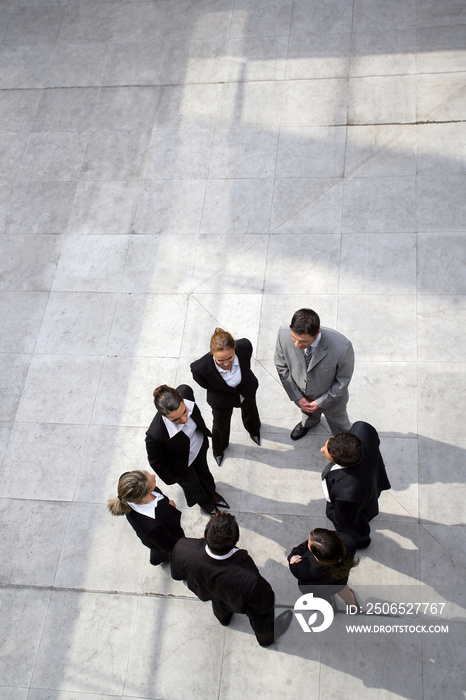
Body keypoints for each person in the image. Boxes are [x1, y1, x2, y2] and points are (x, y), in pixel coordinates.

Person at [170, 512, 292, 647]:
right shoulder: (248, 576)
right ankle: (266, 639)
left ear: (205, 535)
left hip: (210, 593)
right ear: (238, 538)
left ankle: (224, 619)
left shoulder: (182, 547)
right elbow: (263, 605)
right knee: (262, 619)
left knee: (220, 605)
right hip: (236, 600)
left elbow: (176, 574)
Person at [145, 384, 229, 516]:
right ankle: (205, 503)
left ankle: (212, 494)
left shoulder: (186, 392)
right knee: (193, 486)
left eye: (185, 411)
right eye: (175, 419)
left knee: (204, 472)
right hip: (182, 465)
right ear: (164, 416)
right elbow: (155, 461)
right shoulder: (155, 435)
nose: (184, 419)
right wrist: (173, 478)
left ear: (181, 397)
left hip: (199, 447)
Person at [274, 308, 354, 440]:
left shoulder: (342, 347)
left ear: (317, 333)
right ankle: (309, 422)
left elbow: (343, 381)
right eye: (294, 339)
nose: (297, 345)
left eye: (303, 342)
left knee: (340, 427)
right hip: (302, 397)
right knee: (308, 414)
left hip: (332, 401)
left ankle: (343, 442)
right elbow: (281, 366)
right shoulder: (283, 335)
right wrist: (298, 397)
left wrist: (320, 402)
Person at [190, 327, 261, 466]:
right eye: (220, 360)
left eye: (230, 357)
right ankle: (219, 450)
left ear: (235, 348)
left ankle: (254, 430)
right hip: (221, 399)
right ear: (212, 354)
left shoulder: (245, 346)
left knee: (251, 410)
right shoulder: (200, 367)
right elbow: (204, 384)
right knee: (220, 425)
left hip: (246, 389)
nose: (226, 363)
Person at [321, 421, 391, 548]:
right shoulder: (362, 428)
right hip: (372, 481)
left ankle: (361, 541)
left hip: (360, 500)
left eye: (326, 451)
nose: (322, 449)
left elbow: (345, 521)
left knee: (355, 527)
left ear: (340, 461)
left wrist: (333, 513)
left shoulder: (347, 495)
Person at [107, 469, 185, 565]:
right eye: (152, 481)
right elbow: (169, 545)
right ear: (144, 497)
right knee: (171, 552)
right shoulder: (153, 525)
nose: (154, 476)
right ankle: (177, 572)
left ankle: (156, 559)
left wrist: (166, 502)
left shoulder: (128, 487)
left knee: (155, 546)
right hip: (164, 535)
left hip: (152, 537)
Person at [288, 528, 358, 608]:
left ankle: (332, 607)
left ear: (317, 558)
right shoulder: (349, 542)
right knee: (343, 589)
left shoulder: (305, 568)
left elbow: (294, 557)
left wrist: (293, 556)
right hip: (340, 580)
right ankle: (352, 605)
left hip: (320, 589)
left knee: (325, 599)